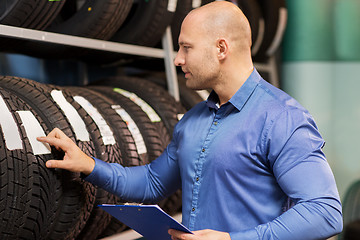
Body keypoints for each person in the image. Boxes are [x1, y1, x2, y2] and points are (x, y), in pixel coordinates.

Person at [37, 1, 343, 239]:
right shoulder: (193, 119)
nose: (177, 59)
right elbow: (153, 182)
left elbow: (324, 211)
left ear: (221, 48)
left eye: (186, 47)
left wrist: (233, 239)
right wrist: (88, 164)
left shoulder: (282, 117)